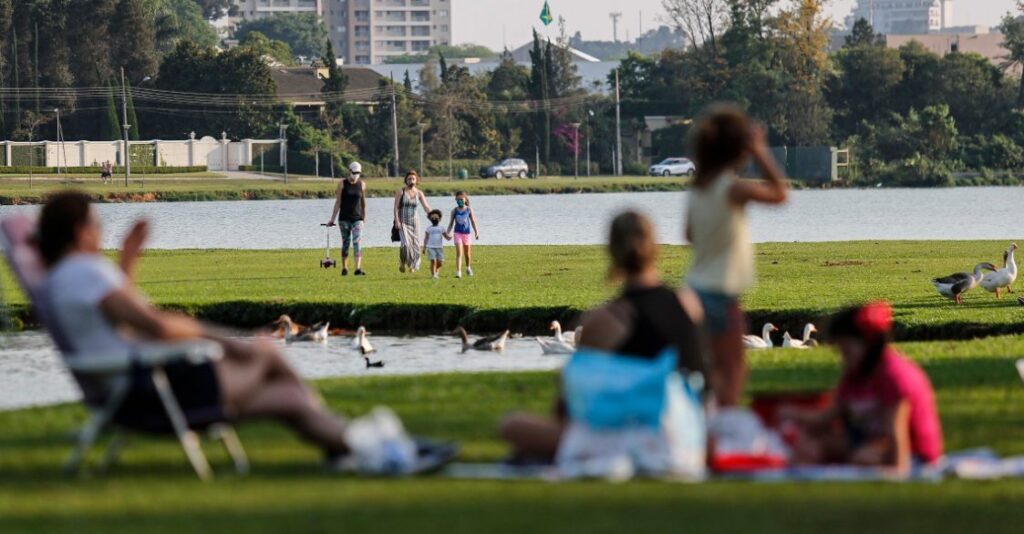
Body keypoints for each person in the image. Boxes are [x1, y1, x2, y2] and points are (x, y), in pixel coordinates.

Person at [35, 191, 451, 474]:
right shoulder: (84, 272)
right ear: (79, 231)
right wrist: (222, 341)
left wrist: (126, 264)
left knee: (289, 398)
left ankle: (358, 449)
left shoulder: (66, 278)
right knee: (265, 352)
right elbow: (153, 324)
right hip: (152, 390)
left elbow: (118, 322)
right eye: (95, 224)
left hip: (138, 389)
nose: (99, 231)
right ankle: (376, 449)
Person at [500, 211, 709, 463]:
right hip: (691, 435)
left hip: (637, 439)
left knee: (512, 425)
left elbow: (569, 405)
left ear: (612, 251)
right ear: (655, 247)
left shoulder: (605, 319)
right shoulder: (689, 304)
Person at [684, 104, 788, 407]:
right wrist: (760, 151)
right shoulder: (732, 189)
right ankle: (725, 423)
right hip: (722, 292)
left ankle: (705, 421)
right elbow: (780, 193)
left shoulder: (698, 189)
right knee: (733, 367)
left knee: (708, 368)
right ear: (738, 149)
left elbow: (689, 234)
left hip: (694, 289)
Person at [779, 302, 943, 474]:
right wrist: (794, 415)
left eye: (847, 350)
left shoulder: (894, 376)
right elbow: (827, 417)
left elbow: (895, 435)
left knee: (863, 458)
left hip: (913, 456)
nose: (843, 358)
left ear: (869, 344)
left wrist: (895, 473)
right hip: (869, 442)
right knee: (811, 445)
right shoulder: (854, 374)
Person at [326, 161, 367, 276]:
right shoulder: (342, 184)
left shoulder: (362, 184)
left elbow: (363, 202)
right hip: (344, 218)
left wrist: (364, 216)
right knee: (346, 242)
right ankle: (344, 267)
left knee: (357, 242)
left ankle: (357, 268)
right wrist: (332, 219)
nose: (356, 175)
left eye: (358, 173)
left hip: (357, 218)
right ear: (350, 171)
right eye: (354, 172)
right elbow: (338, 202)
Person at [393, 170, 432, 273]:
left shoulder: (419, 193)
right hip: (403, 222)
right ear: (406, 180)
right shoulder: (401, 192)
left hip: (415, 222)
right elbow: (396, 208)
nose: (411, 180)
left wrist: (433, 214)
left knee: (415, 245)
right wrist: (397, 220)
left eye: (413, 179)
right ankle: (402, 262)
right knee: (405, 244)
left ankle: (414, 265)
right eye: (409, 179)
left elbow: (426, 207)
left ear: (416, 180)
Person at [445, 191, 479, 278]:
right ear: (456, 200)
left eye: (461, 199)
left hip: (467, 234)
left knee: (467, 253)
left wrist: (476, 232)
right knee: (459, 253)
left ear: (465, 199)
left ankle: (468, 268)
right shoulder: (454, 211)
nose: (460, 201)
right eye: (458, 199)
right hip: (457, 233)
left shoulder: (469, 209)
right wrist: (447, 233)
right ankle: (458, 272)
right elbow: (451, 223)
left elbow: (473, 222)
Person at [423, 209, 448, 280]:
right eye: (432, 218)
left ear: (439, 219)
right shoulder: (428, 229)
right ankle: (433, 275)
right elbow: (426, 238)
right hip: (430, 247)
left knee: (440, 262)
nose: (434, 219)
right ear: (430, 219)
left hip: (439, 247)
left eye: (436, 218)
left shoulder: (442, 228)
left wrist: (450, 236)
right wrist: (424, 247)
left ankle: (434, 270)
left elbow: (446, 236)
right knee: (433, 261)